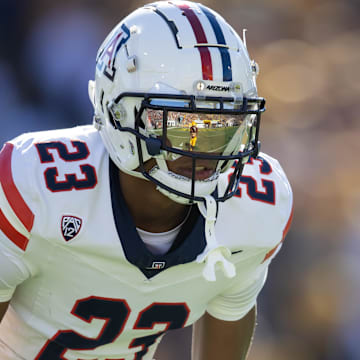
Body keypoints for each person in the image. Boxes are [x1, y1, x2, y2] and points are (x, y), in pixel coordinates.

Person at [0, 1, 293, 359]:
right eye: (184, 126)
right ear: (119, 112)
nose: (208, 153)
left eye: (223, 127)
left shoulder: (256, 206)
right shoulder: (34, 186)